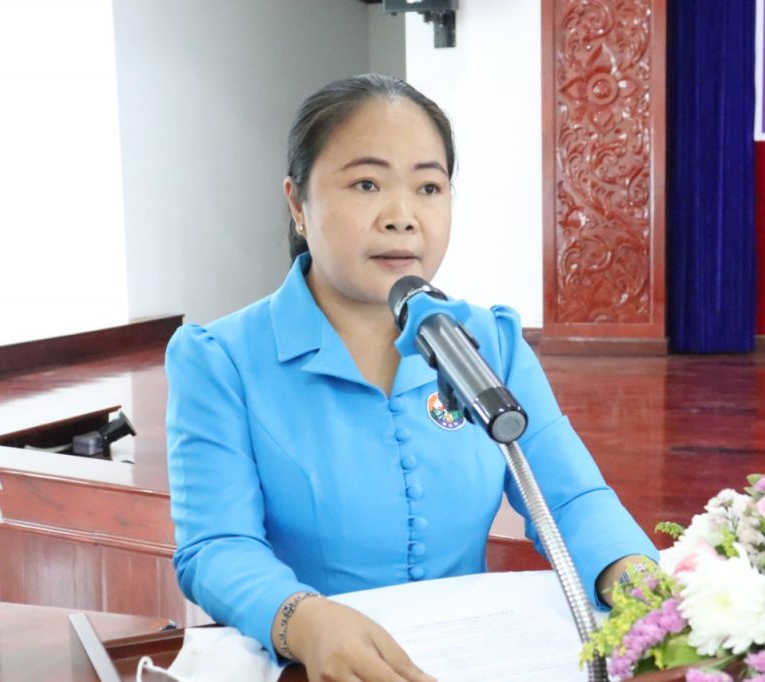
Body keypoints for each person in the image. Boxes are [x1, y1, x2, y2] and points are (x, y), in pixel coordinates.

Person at [165, 74, 658, 682]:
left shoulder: (488, 340)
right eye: (366, 184)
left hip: (474, 663)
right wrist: (302, 620)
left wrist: (639, 582)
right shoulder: (220, 359)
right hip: (309, 666)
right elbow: (216, 547)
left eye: (429, 187)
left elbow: (570, 498)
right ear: (297, 204)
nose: (402, 217)